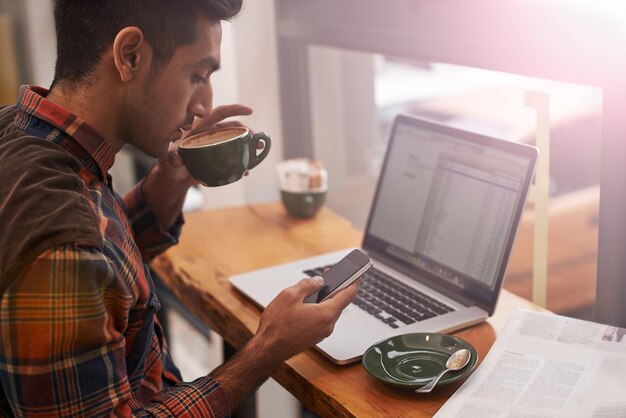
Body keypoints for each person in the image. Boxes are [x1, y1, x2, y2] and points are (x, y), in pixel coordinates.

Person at [0, 0, 359, 416]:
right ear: (130, 55)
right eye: (197, 75)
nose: (204, 105)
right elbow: (80, 259)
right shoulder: (64, 251)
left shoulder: (21, 131)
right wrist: (267, 348)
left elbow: (104, 269)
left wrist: (169, 182)